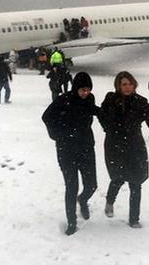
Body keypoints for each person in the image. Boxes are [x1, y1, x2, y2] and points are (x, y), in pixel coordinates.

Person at [98, 71, 149, 228]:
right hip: (115, 145)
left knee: (136, 181)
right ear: (118, 85)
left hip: (135, 145)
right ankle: (110, 201)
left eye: (130, 84)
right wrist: (109, 126)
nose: (128, 87)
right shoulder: (110, 100)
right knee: (118, 177)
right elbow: (101, 116)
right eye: (124, 84)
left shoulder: (140, 102)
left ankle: (134, 218)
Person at [42, 72, 100, 236]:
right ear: (76, 88)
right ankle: (71, 222)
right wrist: (58, 134)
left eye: (88, 89)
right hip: (66, 150)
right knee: (72, 186)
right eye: (83, 89)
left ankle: (82, 200)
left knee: (92, 185)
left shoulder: (90, 99)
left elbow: (92, 110)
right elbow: (46, 117)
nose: (86, 93)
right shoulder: (62, 100)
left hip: (86, 148)